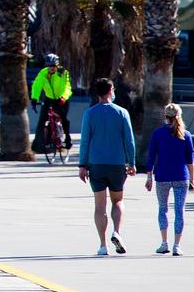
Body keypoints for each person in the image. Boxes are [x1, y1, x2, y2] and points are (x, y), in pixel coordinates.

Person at [78, 77, 136, 256]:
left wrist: (82, 164)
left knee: (99, 206)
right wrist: (131, 162)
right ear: (111, 91)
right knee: (117, 200)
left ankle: (103, 245)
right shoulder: (122, 112)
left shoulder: (90, 113)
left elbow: (85, 141)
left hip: (96, 164)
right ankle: (117, 232)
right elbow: (129, 140)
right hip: (117, 164)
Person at [144, 103, 194, 256]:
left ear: (165, 116)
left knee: (163, 209)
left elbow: (151, 156)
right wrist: (192, 179)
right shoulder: (186, 135)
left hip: (162, 177)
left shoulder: (158, 133)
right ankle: (177, 245)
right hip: (181, 176)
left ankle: (164, 243)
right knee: (180, 211)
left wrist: (149, 177)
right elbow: (190, 160)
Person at [32, 53, 73, 149]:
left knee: (63, 118)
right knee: (43, 118)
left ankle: (68, 138)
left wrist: (64, 97)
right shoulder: (43, 73)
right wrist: (34, 99)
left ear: (57, 65)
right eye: (50, 66)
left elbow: (68, 87)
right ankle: (45, 140)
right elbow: (37, 86)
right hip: (49, 97)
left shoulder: (62, 72)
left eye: (54, 65)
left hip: (62, 98)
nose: (52, 68)